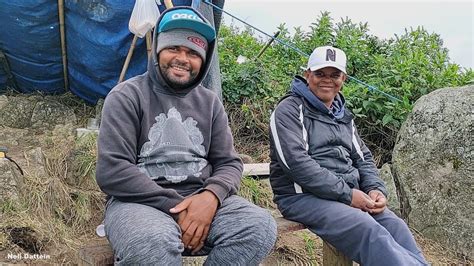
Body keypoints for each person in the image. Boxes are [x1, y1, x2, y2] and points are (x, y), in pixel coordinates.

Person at [96, 6, 277, 265]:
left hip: (202, 198)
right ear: (158, 49)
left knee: (258, 228)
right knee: (151, 244)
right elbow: (113, 171)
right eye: (174, 48)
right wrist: (182, 209)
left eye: (193, 52)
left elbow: (229, 162)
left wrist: (210, 197)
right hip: (138, 204)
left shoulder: (210, 102)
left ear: (203, 60)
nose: (183, 57)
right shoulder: (127, 96)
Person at [269, 46, 428, 265]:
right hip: (301, 197)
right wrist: (347, 194)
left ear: (343, 78)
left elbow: (363, 158)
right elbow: (296, 163)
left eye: (334, 75)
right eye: (320, 74)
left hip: (346, 194)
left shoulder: (342, 115)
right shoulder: (289, 109)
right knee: (368, 229)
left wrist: (374, 189)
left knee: (396, 226)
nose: (327, 80)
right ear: (307, 75)